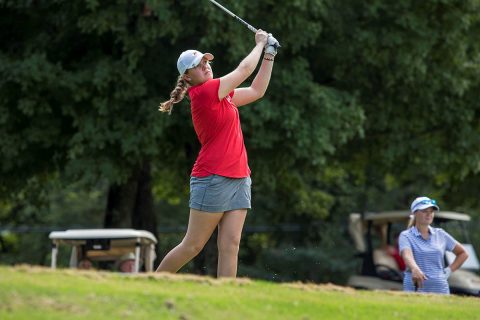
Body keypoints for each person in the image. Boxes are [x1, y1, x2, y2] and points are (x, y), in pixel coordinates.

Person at [155, 29, 278, 278]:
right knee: (193, 245)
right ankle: (150, 282)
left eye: (205, 62)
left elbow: (256, 91)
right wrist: (260, 44)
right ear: (187, 78)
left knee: (230, 246)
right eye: (198, 66)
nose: (205, 66)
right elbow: (244, 71)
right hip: (212, 176)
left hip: (240, 176)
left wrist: (270, 54)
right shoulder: (203, 93)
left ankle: (227, 300)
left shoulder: (223, 95)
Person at [398, 196, 469, 294]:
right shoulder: (406, 235)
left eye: (431, 211)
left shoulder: (441, 234)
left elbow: (463, 253)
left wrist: (448, 271)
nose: (429, 214)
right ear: (415, 213)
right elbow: (407, 255)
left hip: (440, 289)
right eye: (424, 211)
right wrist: (415, 268)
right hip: (415, 288)